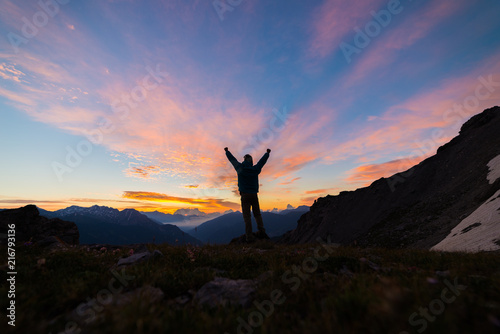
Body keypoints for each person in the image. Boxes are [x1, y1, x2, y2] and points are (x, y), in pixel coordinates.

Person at [225, 147, 271, 242]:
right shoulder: (255, 169)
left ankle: (249, 237)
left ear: (244, 160)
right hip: (254, 195)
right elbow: (262, 162)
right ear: (251, 161)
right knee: (257, 214)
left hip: (244, 195)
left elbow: (232, 159)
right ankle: (262, 231)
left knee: (247, 217)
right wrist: (267, 153)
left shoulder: (240, 168)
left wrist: (227, 151)